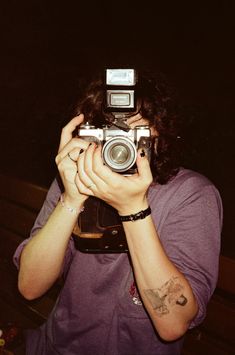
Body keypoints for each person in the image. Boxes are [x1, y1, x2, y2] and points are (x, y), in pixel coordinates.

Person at [13, 67, 223, 355]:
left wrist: (133, 208)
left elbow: (173, 323)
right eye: (111, 132)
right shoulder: (76, 177)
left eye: (136, 130)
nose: (121, 143)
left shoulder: (191, 194)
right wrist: (72, 198)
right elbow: (30, 286)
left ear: (161, 133)